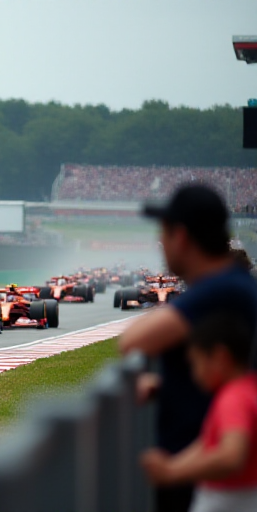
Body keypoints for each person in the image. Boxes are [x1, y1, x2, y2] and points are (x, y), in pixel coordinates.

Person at [119, 184, 257, 512]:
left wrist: (172, 471)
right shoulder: (235, 284)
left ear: (180, 237)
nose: (161, 244)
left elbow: (132, 341)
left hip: (205, 474)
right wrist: (167, 385)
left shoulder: (219, 289)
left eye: (163, 234)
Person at [142, 313, 257, 512]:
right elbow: (207, 443)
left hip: (228, 499)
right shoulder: (247, 389)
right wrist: (172, 467)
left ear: (220, 357)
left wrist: (172, 473)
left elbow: (231, 456)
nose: (194, 374)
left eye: (195, 363)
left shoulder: (233, 400)